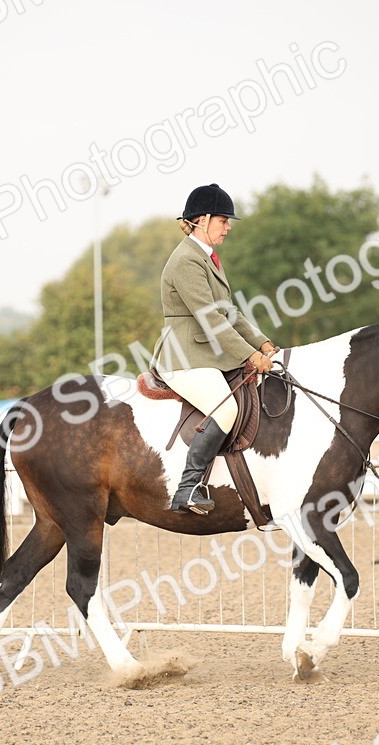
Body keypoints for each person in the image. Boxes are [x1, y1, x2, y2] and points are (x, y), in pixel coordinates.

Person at [151, 183, 278, 514]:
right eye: (223, 220)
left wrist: (262, 342)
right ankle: (189, 487)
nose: (228, 227)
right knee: (225, 409)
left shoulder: (208, 260)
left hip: (207, 355)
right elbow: (211, 320)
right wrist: (250, 356)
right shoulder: (185, 261)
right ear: (203, 219)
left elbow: (229, 314)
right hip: (184, 358)